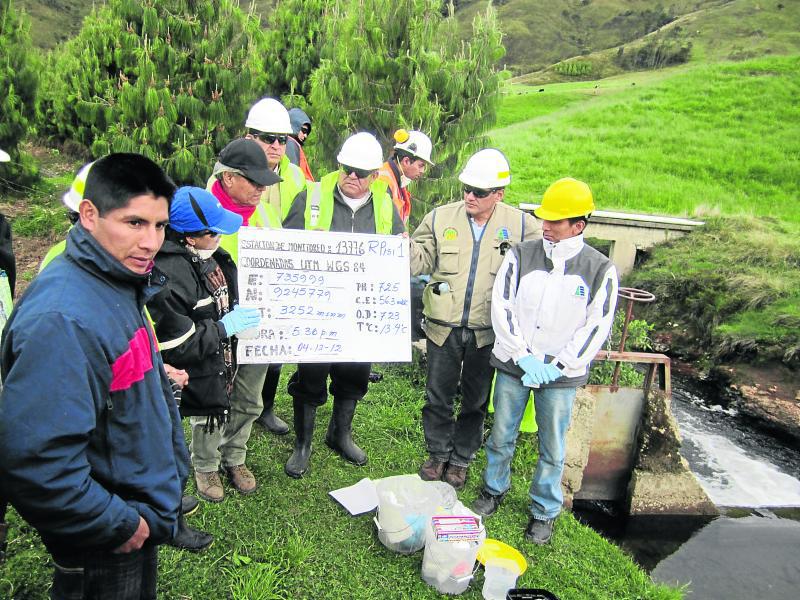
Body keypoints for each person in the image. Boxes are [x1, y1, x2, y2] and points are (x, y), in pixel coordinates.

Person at [0, 153, 189, 598]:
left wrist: (152, 374)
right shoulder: (63, 319)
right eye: (134, 223)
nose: (151, 242)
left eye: (160, 226)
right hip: (105, 536)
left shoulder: (114, 278)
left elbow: (106, 373)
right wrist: (121, 525)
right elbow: (36, 461)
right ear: (89, 214)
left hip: (130, 504)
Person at [471, 177, 618, 545]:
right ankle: (493, 489)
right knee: (501, 433)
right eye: (545, 219)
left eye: (555, 221)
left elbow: (596, 325)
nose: (546, 226)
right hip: (514, 364)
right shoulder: (521, 255)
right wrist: (522, 354)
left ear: (578, 225)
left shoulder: (599, 269)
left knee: (552, 446)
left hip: (560, 376)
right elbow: (502, 305)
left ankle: (544, 511)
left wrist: (560, 365)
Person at [409, 148, 540, 490]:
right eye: (466, 188)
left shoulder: (522, 226)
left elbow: (540, 274)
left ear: (499, 194)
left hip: (488, 332)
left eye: (479, 192)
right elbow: (419, 261)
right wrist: (400, 247)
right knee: (437, 396)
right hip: (442, 327)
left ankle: (461, 459)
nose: (469, 196)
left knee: (476, 400)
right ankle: (438, 454)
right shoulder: (439, 218)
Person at [282, 132, 404, 478]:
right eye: (346, 168)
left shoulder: (384, 204)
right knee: (311, 374)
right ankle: (303, 444)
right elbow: (284, 246)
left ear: (375, 176)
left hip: (360, 308)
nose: (351, 176)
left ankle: (340, 433)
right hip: (317, 308)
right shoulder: (311, 196)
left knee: (355, 372)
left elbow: (396, 249)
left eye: (360, 172)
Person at [148, 185, 262, 511]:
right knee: (208, 413)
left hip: (234, 351)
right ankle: (206, 466)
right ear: (190, 238)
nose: (220, 237)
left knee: (247, 402)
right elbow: (177, 346)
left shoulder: (211, 255)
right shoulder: (168, 277)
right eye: (213, 232)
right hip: (205, 359)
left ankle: (235, 457)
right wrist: (225, 327)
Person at [185, 139, 282, 502]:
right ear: (228, 178)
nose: (261, 189)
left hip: (256, 323)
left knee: (250, 396)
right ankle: (205, 463)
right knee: (211, 395)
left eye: (264, 182)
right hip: (214, 325)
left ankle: (234, 455)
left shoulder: (266, 215)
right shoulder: (200, 211)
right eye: (254, 181)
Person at [241, 98, 307, 436]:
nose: (277, 146)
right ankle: (234, 411)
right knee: (239, 349)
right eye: (269, 138)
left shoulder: (295, 177)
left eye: (283, 139)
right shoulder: (229, 172)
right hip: (241, 275)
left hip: (281, 275)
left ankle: (264, 408)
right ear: (249, 137)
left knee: (275, 347)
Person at [377, 129, 434, 226]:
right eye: (421, 165)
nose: (422, 171)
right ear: (406, 161)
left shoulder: (397, 181)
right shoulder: (383, 181)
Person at [286, 107, 314, 181]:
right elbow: (293, 177)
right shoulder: (290, 144)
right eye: (304, 130)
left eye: (307, 133)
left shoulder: (292, 144)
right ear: (294, 126)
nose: (305, 136)